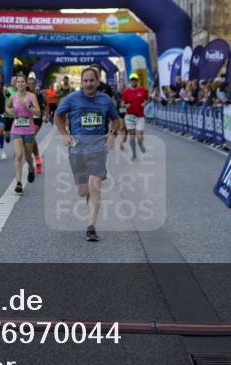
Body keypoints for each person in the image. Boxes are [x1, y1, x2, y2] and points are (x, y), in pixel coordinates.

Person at [54, 66, 122, 243]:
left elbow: (116, 120)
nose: (89, 84)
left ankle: (91, 227)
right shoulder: (72, 99)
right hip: (77, 150)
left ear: (98, 81)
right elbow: (58, 116)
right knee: (82, 190)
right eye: (85, 81)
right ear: (81, 82)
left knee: (95, 185)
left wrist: (112, 133)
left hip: (98, 149)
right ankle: (86, 196)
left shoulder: (105, 100)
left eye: (92, 80)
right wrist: (64, 134)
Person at [6, 74, 40, 194]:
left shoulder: (31, 96)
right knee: (18, 155)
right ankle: (19, 183)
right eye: (18, 82)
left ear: (26, 84)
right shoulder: (13, 96)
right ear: (15, 85)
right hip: (16, 130)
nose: (20, 84)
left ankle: (31, 168)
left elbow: (38, 112)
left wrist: (28, 106)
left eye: (22, 82)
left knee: (28, 157)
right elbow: (7, 107)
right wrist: (10, 111)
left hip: (28, 130)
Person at [120, 72, 149, 160]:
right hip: (130, 117)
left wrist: (145, 103)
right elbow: (122, 103)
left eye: (135, 79)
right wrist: (126, 105)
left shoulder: (142, 90)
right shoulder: (126, 92)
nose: (133, 81)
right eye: (132, 80)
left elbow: (147, 99)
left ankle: (140, 143)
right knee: (132, 136)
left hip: (140, 116)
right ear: (130, 81)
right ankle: (134, 154)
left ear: (137, 80)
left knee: (139, 136)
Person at [26, 72, 44, 174]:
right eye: (29, 84)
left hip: (37, 119)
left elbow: (46, 104)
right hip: (26, 119)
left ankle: (37, 160)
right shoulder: (24, 93)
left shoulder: (39, 93)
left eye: (33, 84)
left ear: (35, 84)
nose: (31, 86)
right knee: (28, 140)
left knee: (31, 136)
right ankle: (35, 158)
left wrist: (46, 115)